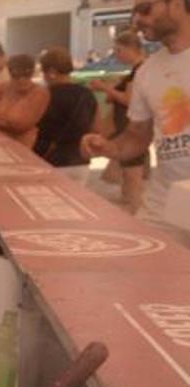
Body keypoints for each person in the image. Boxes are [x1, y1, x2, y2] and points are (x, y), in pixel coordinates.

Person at [84, 0, 190, 238]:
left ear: (176, 4)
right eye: (134, 12)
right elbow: (137, 136)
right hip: (164, 206)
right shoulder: (146, 73)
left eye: (145, 9)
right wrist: (108, 147)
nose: (136, 20)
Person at [89, 30, 149, 213]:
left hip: (131, 128)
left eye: (119, 50)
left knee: (133, 174)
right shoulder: (137, 71)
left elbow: (129, 100)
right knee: (128, 173)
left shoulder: (140, 70)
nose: (117, 55)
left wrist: (105, 88)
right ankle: (132, 206)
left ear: (132, 49)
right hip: (128, 127)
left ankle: (135, 210)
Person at [33, 46, 97, 178]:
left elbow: (30, 126)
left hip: (49, 159)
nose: (43, 76)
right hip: (80, 161)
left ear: (52, 72)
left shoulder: (43, 96)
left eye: (44, 72)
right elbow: (97, 128)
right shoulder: (87, 95)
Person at [0, 54, 49, 149]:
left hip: (22, 146)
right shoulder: (7, 86)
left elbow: (18, 123)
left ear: (32, 73)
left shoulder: (39, 92)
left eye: (26, 75)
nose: (21, 79)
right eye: (16, 75)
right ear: (10, 74)